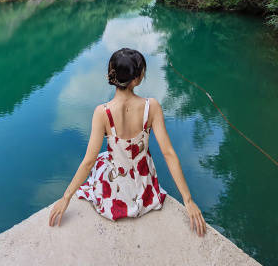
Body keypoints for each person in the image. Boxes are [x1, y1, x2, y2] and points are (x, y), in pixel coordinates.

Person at [48, 47, 206, 236]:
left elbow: (88, 162)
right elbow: (168, 153)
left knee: (100, 159)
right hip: (144, 189)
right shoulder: (151, 107)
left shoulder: (102, 113)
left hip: (115, 193)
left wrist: (66, 197)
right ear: (137, 79)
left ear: (112, 75)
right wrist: (188, 201)